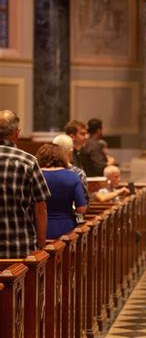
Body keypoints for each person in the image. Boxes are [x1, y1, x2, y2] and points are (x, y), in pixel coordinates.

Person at [0, 110, 50, 257]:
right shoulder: (28, 162)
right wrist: (42, 245)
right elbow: (40, 209)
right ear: (17, 133)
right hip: (21, 248)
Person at [36, 143, 87, 239]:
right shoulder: (72, 176)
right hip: (66, 227)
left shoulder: (35, 175)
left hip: (39, 226)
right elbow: (81, 208)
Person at [53, 133, 89, 203]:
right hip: (70, 213)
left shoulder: (43, 172)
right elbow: (84, 204)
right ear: (70, 151)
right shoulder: (78, 173)